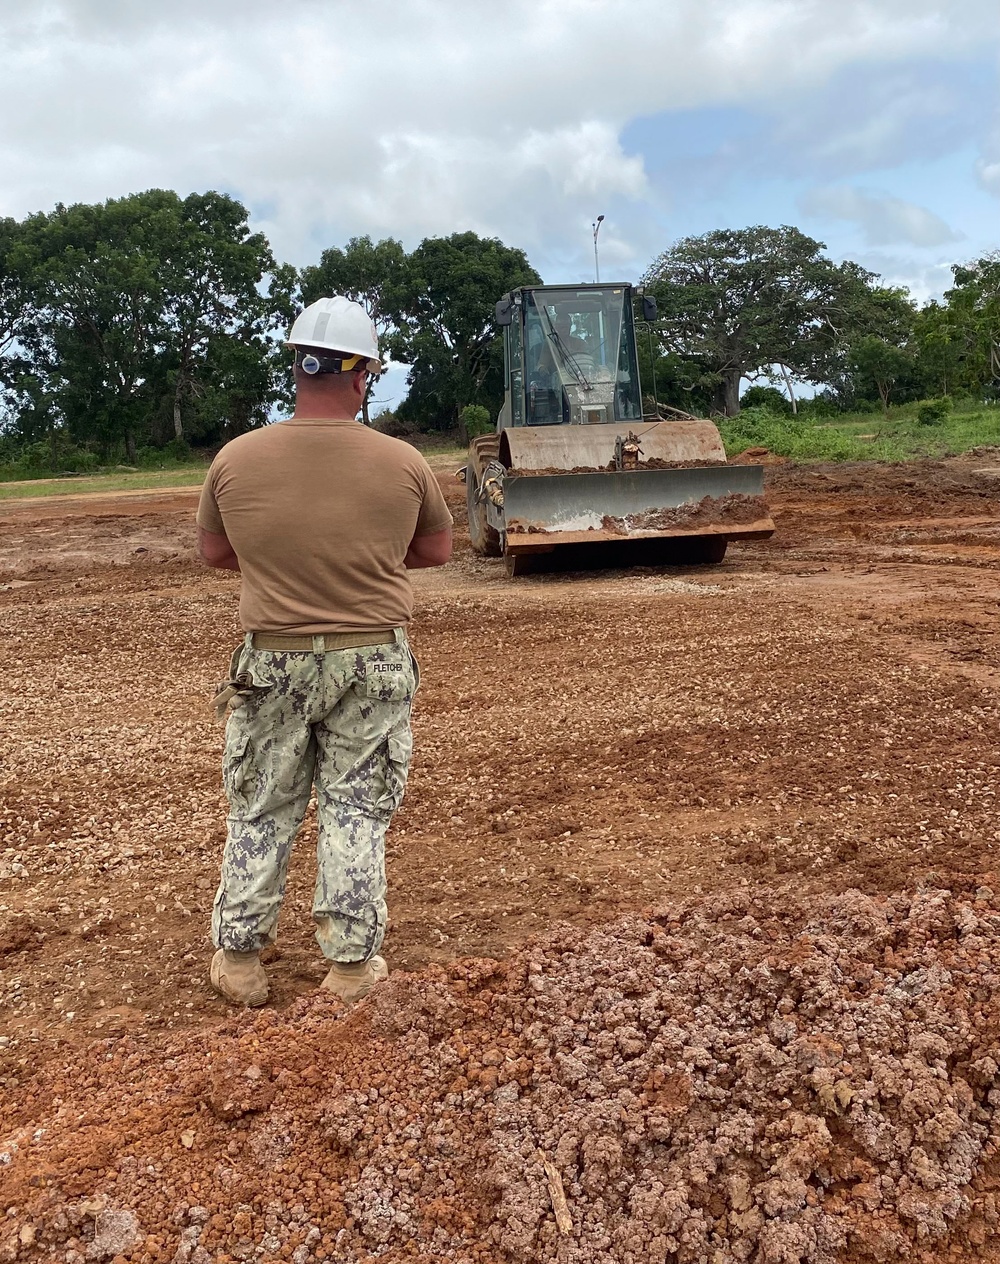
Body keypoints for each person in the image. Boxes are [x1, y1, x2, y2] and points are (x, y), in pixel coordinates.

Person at [196, 296, 453, 1008]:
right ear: (361, 376)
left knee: (260, 807)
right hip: (370, 660)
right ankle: (349, 969)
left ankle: (241, 962)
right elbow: (433, 549)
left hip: (271, 659)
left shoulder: (235, 459)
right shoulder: (401, 462)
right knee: (355, 809)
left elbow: (218, 552)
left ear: (295, 366)